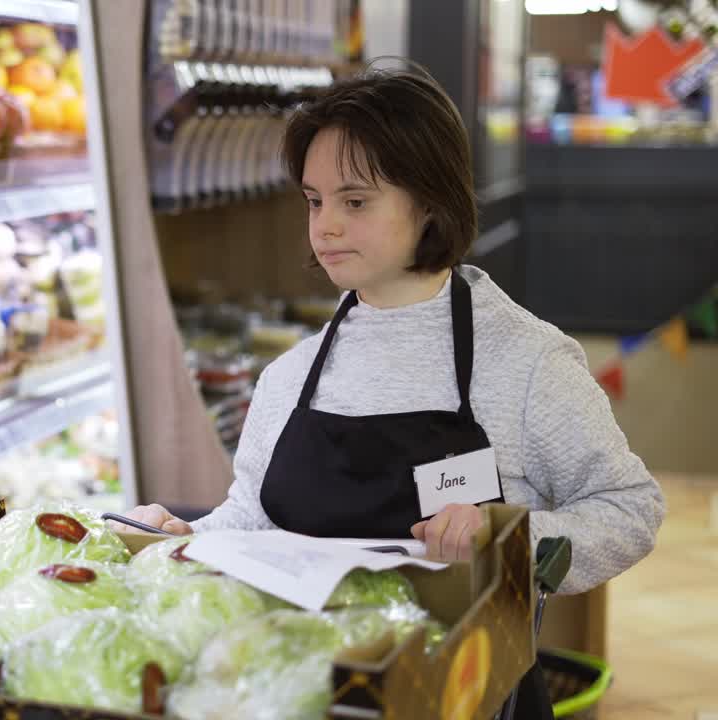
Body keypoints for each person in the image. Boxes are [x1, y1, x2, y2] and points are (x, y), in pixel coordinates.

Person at [121, 66, 665, 716]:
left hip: (468, 696)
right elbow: (255, 518)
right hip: (310, 694)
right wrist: (185, 537)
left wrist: (511, 540)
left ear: (430, 203)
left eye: (355, 201)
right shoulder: (289, 377)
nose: (324, 227)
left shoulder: (525, 361)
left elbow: (630, 509)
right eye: (314, 200)